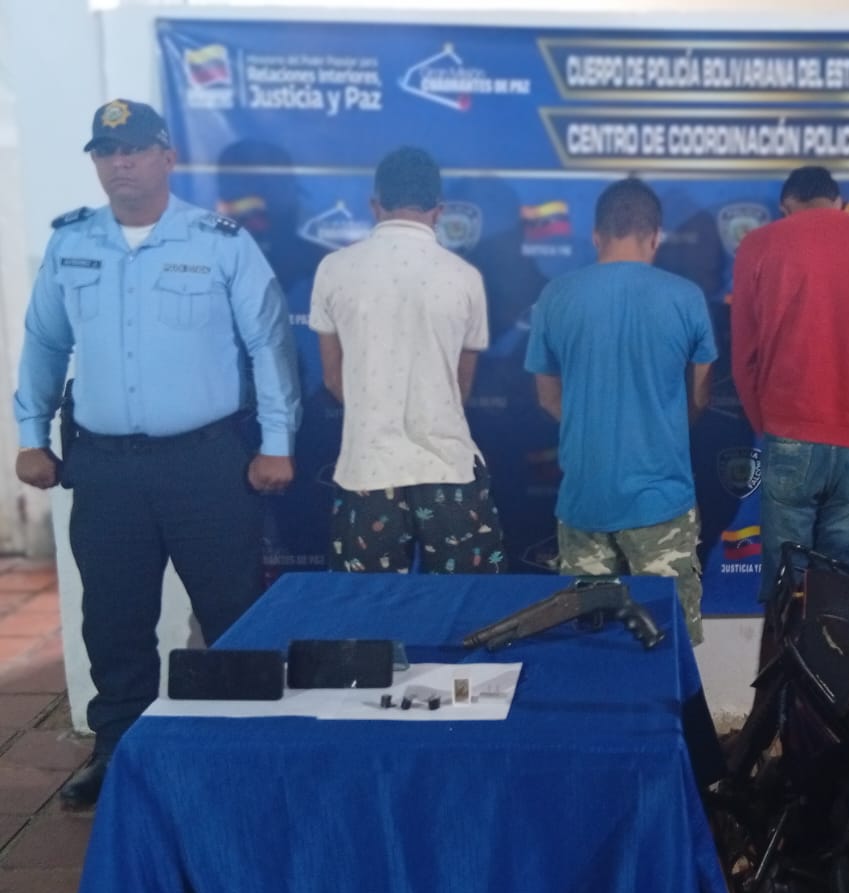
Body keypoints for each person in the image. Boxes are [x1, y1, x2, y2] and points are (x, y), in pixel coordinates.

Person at [12, 99, 301, 808]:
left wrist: (277, 442)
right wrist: (30, 435)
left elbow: (269, 343)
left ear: (167, 156)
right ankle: (119, 750)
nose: (122, 163)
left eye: (136, 149)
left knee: (232, 610)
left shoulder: (219, 241)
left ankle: (245, 746)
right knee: (113, 618)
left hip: (205, 463)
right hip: (104, 468)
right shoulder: (71, 243)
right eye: (108, 152)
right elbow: (45, 343)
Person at [524, 178, 716, 645]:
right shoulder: (686, 297)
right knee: (672, 647)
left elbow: (547, 398)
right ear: (655, 236)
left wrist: (591, 427)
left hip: (583, 502)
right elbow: (701, 396)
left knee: (589, 650)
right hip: (661, 501)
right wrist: (660, 431)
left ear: (596, 235)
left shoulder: (556, 295)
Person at [309, 146, 506, 575]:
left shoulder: (333, 269)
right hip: (448, 471)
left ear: (375, 204)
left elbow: (333, 378)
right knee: (465, 605)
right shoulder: (465, 278)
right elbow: (461, 387)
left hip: (367, 469)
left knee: (366, 610)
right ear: (439, 209)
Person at [731, 166, 849, 598]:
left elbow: (744, 354)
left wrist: (765, 421)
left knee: (786, 584)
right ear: (838, 200)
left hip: (790, 429)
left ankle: (787, 644)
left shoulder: (759, 244)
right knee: (841, 589)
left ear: (785, 206)